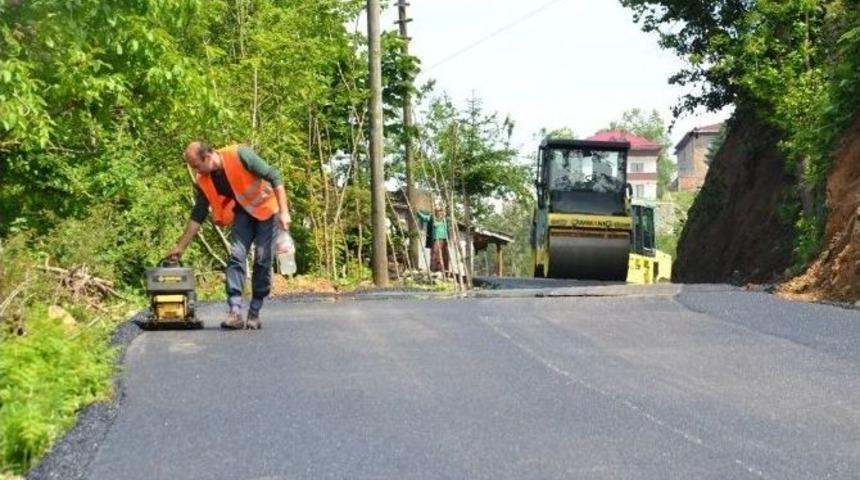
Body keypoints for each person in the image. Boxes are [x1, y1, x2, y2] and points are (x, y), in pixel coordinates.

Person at [167, 142, 291, 330]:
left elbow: (274, 176)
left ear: (207, 157)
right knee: (236, 256)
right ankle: (234, 312)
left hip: (268, 210)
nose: (195, 171)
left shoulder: (239, 155)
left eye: (196, 165)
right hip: (243, 213)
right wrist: (180, 247)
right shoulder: (204, 179)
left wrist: (284, 212)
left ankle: (254, 312)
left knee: (262, 259)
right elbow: (198, 214)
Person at [424, 207, 450, 273]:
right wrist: (418, 211)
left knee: (444, 254)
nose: (439, 212)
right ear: (435, 212)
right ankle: (435, 270)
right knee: (435, 254)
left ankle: (444, 270)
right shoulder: (432, 218)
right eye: (438, 211)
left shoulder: (445, 219)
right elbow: (423, 217)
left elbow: (447, 229)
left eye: (441, 211)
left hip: (444, 239)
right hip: (436, 239)